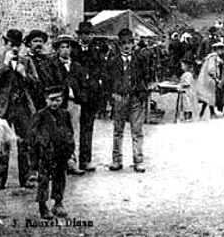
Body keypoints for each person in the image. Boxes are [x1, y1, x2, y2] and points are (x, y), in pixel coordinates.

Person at [0, 28, 39, 190]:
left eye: (17, 44)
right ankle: (0, 180)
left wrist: (24, 74)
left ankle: (25, 178)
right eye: (11, 44)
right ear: (5, 43)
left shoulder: (26, 61)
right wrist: (5, 64)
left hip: (22, 107)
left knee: (25, 143)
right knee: (3, 143)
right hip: (3, 108)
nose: (14, 48)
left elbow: (36, 84)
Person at [29, 85, 74, 219]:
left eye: (58, 100)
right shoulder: (40, 115)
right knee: (43, 181)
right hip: (45, 153)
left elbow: (69, 133)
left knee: (60, 178)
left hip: (60, 153)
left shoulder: (65, 114)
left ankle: (58, 203)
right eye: (51, 100)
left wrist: (71, 153)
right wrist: (34, 162)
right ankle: (43, 206)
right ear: (46, 100)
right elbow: (32, 138)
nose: (54, 103)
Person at [107, 28, 149, 172]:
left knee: (137, 130)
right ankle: (117, 160)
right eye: (123, 43)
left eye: (129, 43)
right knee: (118, 130)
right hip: (120, 98)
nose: (127, 46)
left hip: (136, 98)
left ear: (133, 44)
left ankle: (138, 161)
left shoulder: (140, 60)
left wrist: (143, 93)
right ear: (119, 45)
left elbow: (146, 77)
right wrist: (112, 95)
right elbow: (108, 81)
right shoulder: (113, 62)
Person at [70, 21, 107, 173]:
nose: (86, 37)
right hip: (75, 95)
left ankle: (85, 160)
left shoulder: (96, 52)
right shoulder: (73, 51)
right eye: (83, 34)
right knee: (70, 128)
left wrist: (97, 87)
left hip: (91, 95)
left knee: (87, 128)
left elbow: (101, 71)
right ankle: (70, 160)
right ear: (79, 36)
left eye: (89, 34)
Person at [47, 34, 86, 176]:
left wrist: (80, 96)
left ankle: (71, 162)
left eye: (67, 47)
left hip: (73, 103)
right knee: (56, 133)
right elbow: (49, 83)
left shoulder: (77, 66)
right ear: (57, 50)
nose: (65, 50)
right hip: (57, 104)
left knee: (72, 132)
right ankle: (54, 165)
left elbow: (83, 85)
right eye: (62, 47)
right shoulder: (52, 65)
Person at [196, 41, 224, 120]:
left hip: (208, 79)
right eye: (220, 49)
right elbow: (211, 70)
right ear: (216, 49)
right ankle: (211, 113)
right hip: (209, 79)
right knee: (210, 96)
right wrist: (216, 79)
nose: (222, 50)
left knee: (208, 97)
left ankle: (203, 113)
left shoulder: (215, 58)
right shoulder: (213, 58)